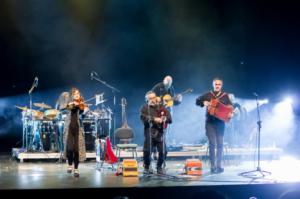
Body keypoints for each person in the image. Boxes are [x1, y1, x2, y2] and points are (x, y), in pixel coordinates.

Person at [196, 78, 233, 173]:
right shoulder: (208, 94)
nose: (217, 86)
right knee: (212, 144)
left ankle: (219, 165)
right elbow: (197, 100)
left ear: (221, 85)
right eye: (216, 84)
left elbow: (230, 108)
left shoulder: (225, 96)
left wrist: (230, 113)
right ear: (213, 85)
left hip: (220, 123)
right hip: (210, 123)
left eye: (219, 84)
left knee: (220, 144)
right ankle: (213, 166)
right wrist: (203, 102)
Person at [140, 91, 172, 174]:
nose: (153, 100)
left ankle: (159, 166)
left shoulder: (161, 107)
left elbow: (170, 118)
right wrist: (154, 119)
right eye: (150, 98)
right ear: (147, 100)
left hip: (160, 132)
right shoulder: (144, 108)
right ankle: (147, 166)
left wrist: (165, 119)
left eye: (154, 97)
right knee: (147, 151)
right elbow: (143, 118)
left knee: (163, 151)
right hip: (149, 132)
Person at [151, 75, 182, 160]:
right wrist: (159, 102)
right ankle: (154, 151)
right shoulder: (158, 87)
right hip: (157, 113)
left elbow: (173, 102)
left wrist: (178, 101)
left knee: (165, 133)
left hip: (167, 113)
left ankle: (162, 153)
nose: (167, 85)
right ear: (164, 81)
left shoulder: (171, 88)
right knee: (156, 133)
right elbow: (149, 97)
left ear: (171, 83)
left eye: (169, 83)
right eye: (166, 83)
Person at [63, 88, 88, 177]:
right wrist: (72, 104)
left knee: (76, 150)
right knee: (69, 148)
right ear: (72, 96)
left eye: (78, 93)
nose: (77, 95)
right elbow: (65, 108)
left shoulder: (81, 103)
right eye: (75, 94)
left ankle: (76, 169)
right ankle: (70, 165)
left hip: (78, 128)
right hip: (69, 128)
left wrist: (84, 109)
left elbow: (83, 112)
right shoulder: (69, 103)